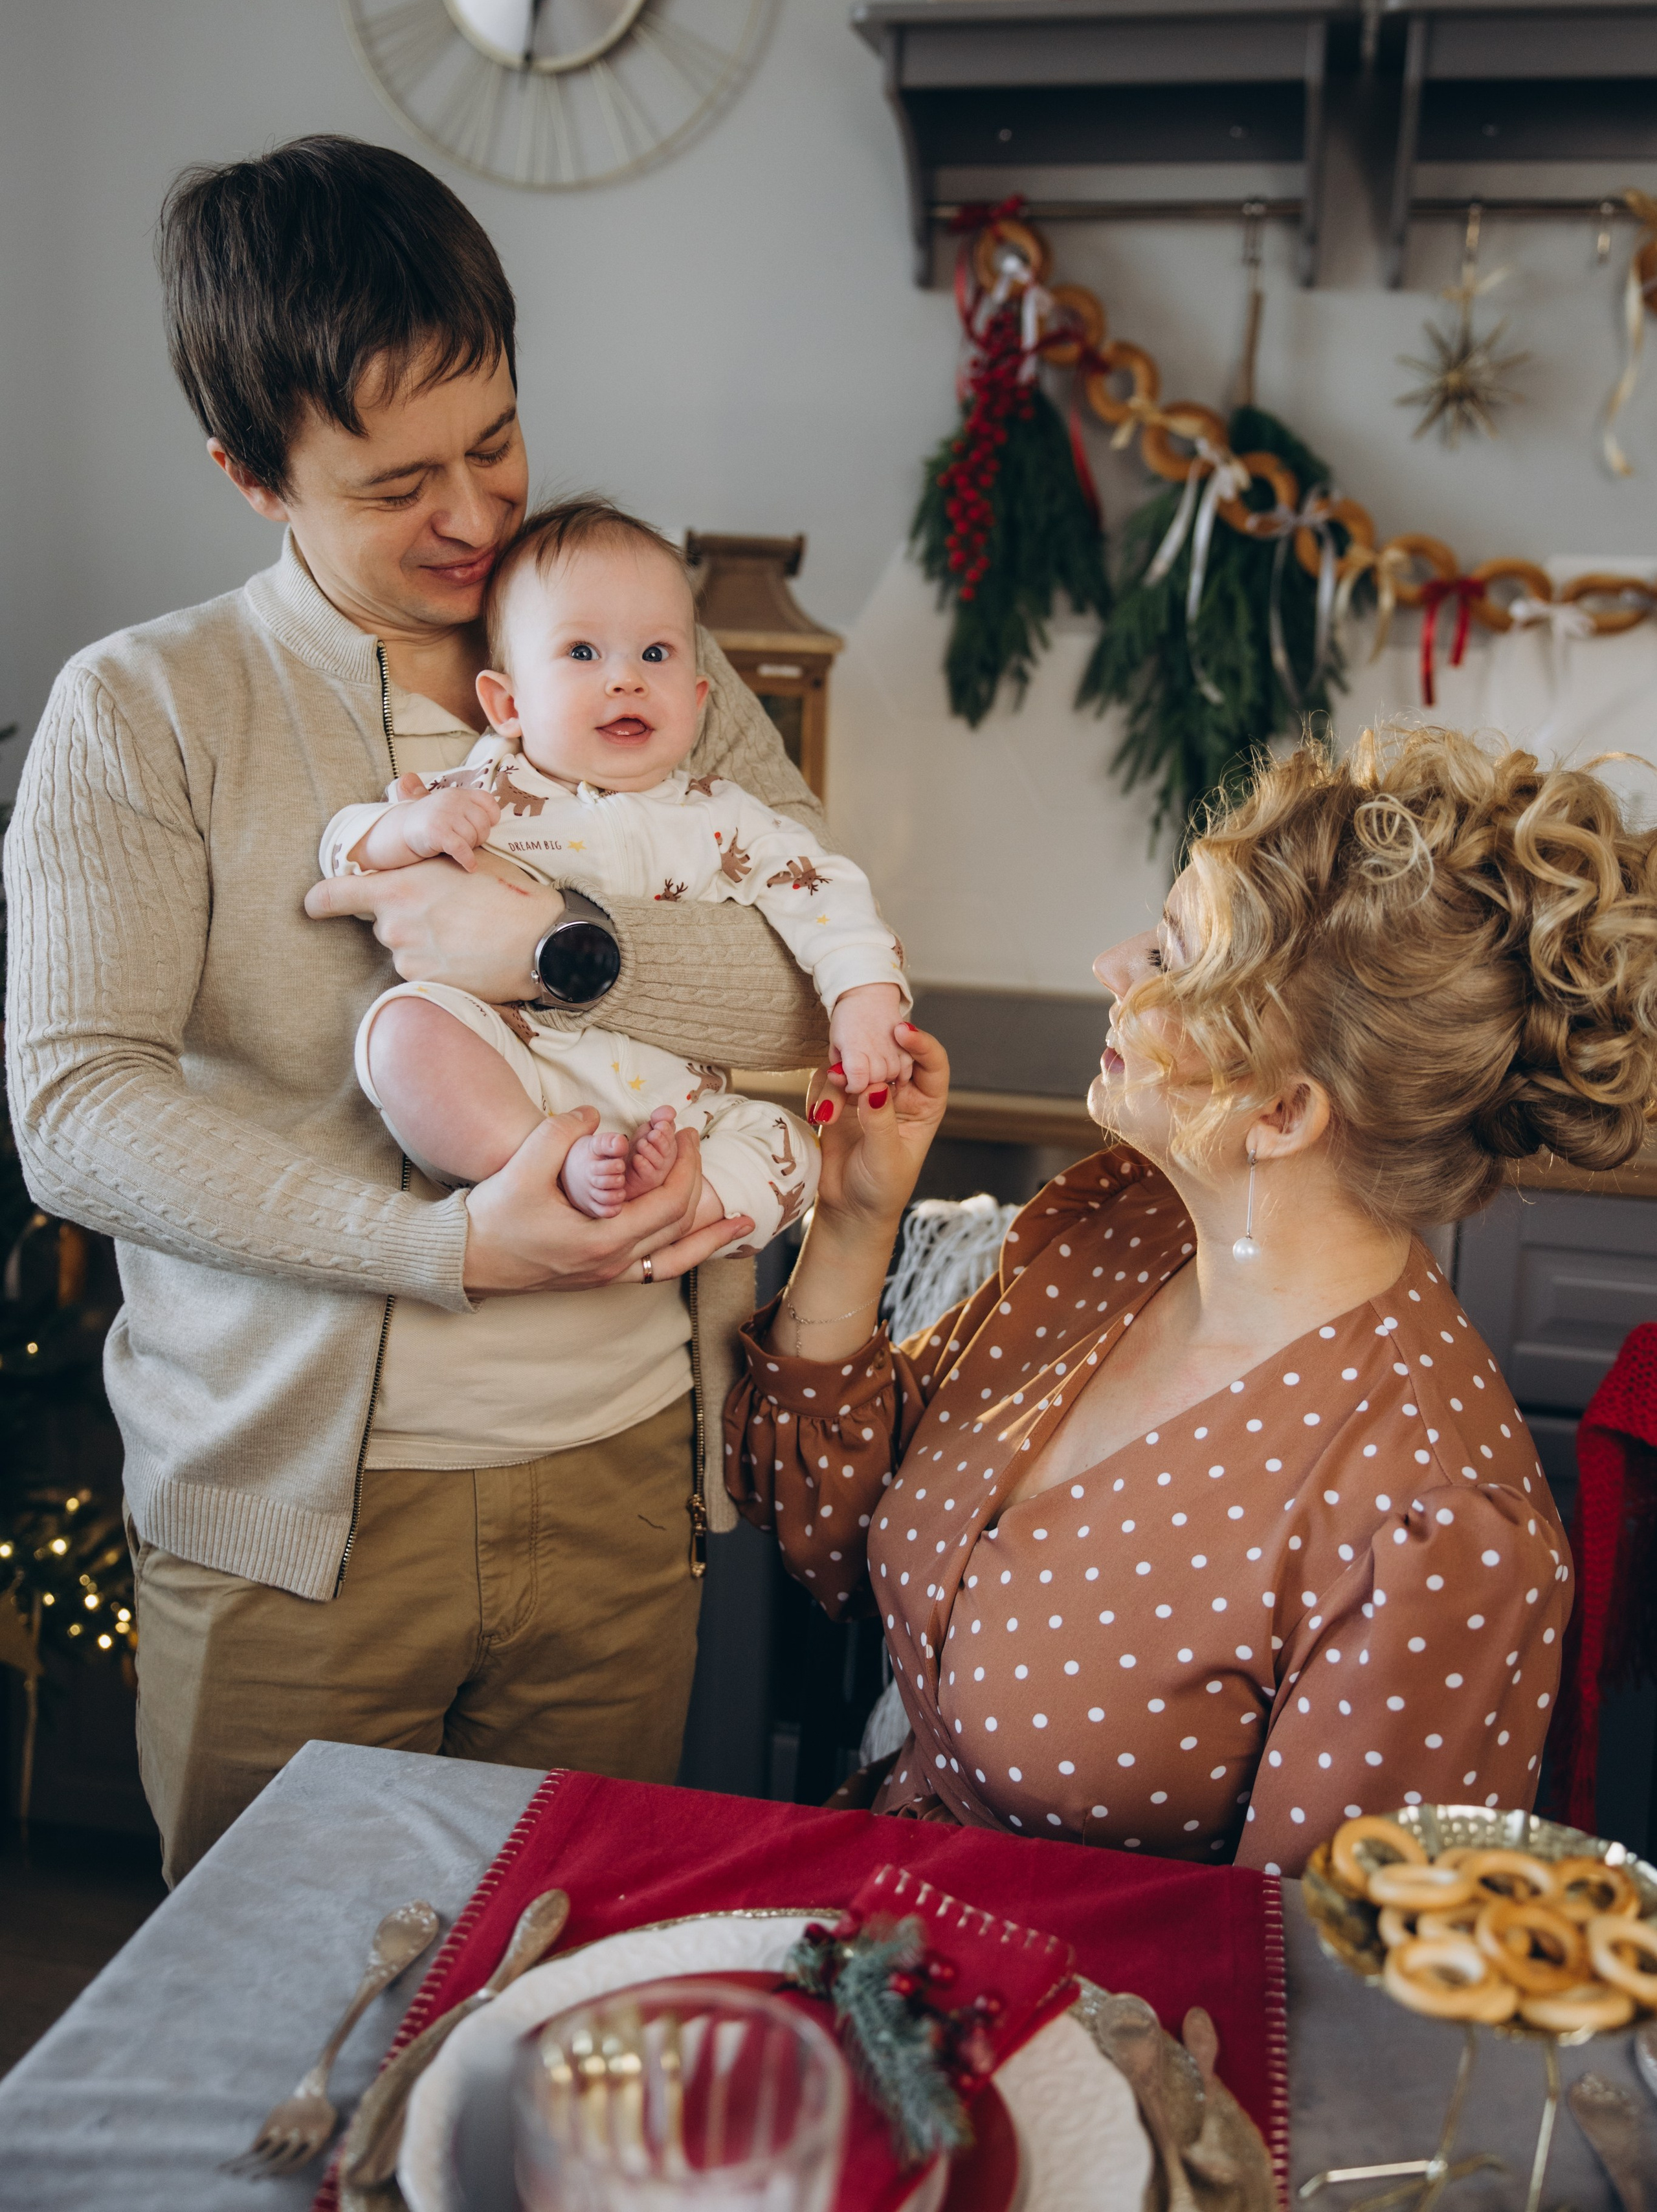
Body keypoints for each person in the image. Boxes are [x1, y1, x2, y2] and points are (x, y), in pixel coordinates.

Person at [3, 136, 828, 1884]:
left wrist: (542, 944)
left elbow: (801, 971)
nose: (472, 518)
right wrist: (447, 1255)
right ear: (249, 472)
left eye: (497, 443)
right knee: (269, 2066)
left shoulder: (640, 654)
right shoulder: (146, 709)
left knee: (565, 2020)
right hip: (294, 1535)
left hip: (620, 1488)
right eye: (396, 484)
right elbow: (75, 1111)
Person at [727, 731, 1657, 1875]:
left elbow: (1309, 1990)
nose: (1111, 964)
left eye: (1170, 954)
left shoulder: (1434, 1529)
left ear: (1281, 1115)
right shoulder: (1117, 1236)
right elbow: (849, 1527)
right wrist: (858, 1223)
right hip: (873, 1934)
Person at [325, 496, 909, 1241]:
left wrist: (864, 995)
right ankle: (542, 1165)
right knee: (401, 1032)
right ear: (507, 703)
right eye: (582, 653)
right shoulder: (485, 796)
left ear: (697, 702)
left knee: (792, 1149)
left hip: (679, 1109)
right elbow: (342, 847)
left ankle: (666, 1207)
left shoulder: (724, 817)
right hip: (518, 1070)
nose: (625, 680)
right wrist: (403, 826)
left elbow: (824, 889)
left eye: (655, 655)